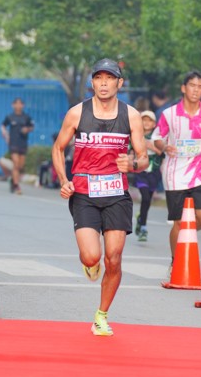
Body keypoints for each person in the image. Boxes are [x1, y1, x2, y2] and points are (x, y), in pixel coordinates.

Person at [52, 58, 149, 337]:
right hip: (84, 194)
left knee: (114, 258)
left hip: (117, 194)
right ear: (92, 82)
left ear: (119, 83)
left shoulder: (131, 115)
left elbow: (144, 158)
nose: (104, 83)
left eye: (110, 78)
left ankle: (101, 316)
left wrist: (133, 164)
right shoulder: (77, 113)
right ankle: (90, 264)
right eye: (98, 78)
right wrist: (64, 180)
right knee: (91, 256)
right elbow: (58, 148)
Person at [153, 70, 201, 278]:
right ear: (184, 88)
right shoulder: (169, 114)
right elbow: (157, 138)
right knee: (178, 222)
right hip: (174, 174)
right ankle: (175, 261)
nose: (196, 90)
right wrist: (164, 146)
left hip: (198, 173)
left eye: (200, 87)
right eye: (192, 86)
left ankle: (186, 238)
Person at [133, 110, 162, 242]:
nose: (146, 123)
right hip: (141, 172)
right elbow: (129, 149)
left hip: (153, 173)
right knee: (144, 198)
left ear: (154, 124)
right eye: (144, 119)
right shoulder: (135, 135)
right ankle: (143, 228)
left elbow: (163, 153)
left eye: (149, 120)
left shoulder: (157, 138)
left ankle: (141, 219)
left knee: (147, 201)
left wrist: (153, 148)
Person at [1, 98, 34, 195]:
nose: (18, 106)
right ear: (13, 105)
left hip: (22, 143)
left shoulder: (26, 117)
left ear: (23, 105)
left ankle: (12, 180)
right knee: (15, 163)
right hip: (13, 143)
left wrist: (27, 129)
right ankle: (16, 185)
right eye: (16, 104)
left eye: (20, 104)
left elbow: (31, 127)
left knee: (20, 165)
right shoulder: (10, 117)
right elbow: (3, 125)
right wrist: (5, 134)